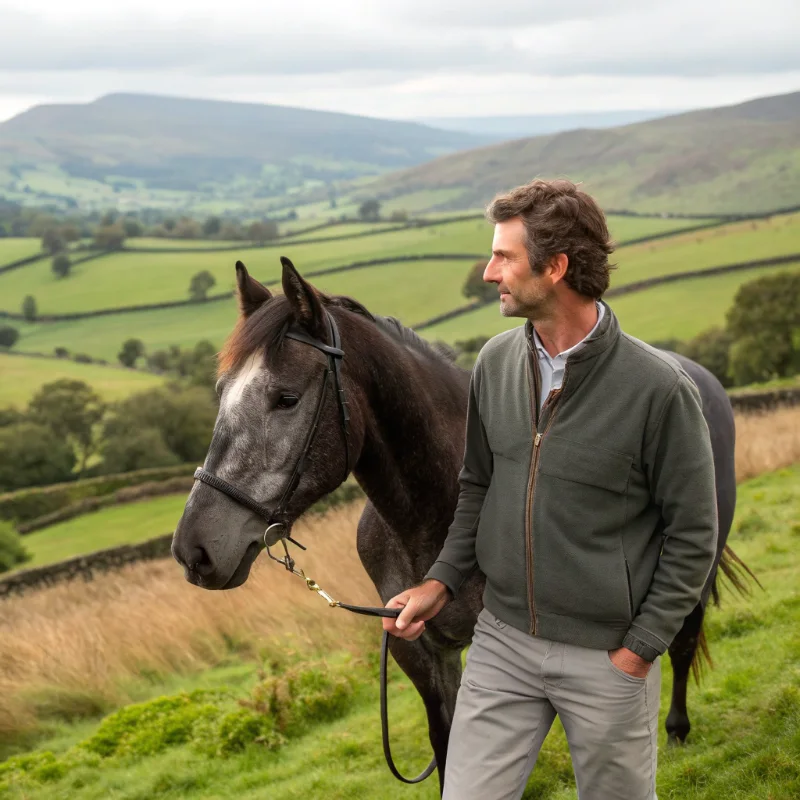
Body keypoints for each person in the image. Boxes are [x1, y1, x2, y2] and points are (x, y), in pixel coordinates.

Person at [382, 179, 718, 800]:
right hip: (502, 642)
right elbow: (477, 486)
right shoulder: (495, 363)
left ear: (556, 267)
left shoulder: (659, 391)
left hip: (609, 657)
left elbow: (695, 533)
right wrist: (439, 582)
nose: (489, 273)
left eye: (504, 257)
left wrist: (640, 649)